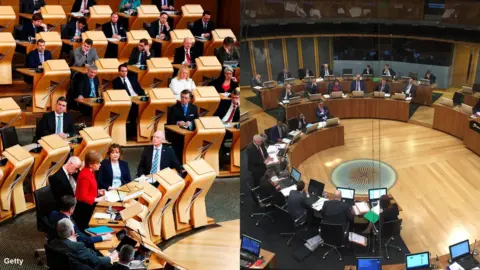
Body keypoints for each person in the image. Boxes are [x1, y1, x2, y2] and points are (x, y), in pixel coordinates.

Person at [50, 218, 117, 267]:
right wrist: (111, 257)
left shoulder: (53, 243)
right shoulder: (78, 246)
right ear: (72, 232)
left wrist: (72, 241)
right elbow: (96, 261)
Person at [74, 151, 106, 231]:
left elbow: (89, 188)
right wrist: (98, 199)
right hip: (84, 209)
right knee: (86, 229)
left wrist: (97, 191)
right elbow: (83, 196)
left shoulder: (90, 172)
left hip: (88, 206)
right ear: (91, 165)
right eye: (98, 163)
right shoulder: (85, 175)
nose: (100, 165)